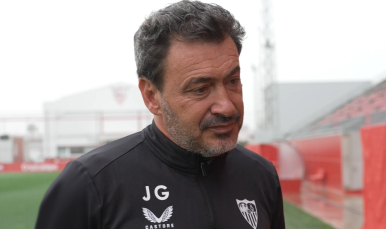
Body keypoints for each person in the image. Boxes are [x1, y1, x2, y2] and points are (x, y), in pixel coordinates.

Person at [35, 1, 285, 228]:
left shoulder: (260, 174)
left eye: (233, 80)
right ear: (152, 97)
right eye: (200, 89)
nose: (227, 106)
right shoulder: (89, 185)